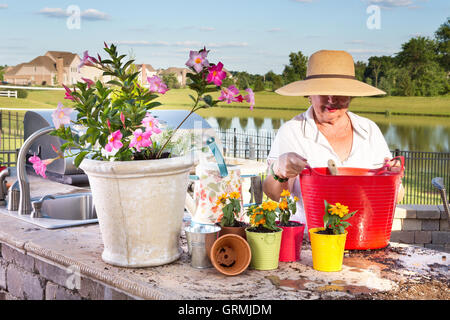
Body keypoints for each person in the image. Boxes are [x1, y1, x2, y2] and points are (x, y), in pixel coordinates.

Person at [263, 49, 404, 225]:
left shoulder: (369, 130)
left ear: (351, 94)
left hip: (364, 236)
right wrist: (279, 170)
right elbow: (275, 195)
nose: (332, 99)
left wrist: (393, 177)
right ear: (309, 94)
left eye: (340, 92)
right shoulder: (292, 131)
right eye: (323, 91)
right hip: (309, 241)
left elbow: (397, 196)